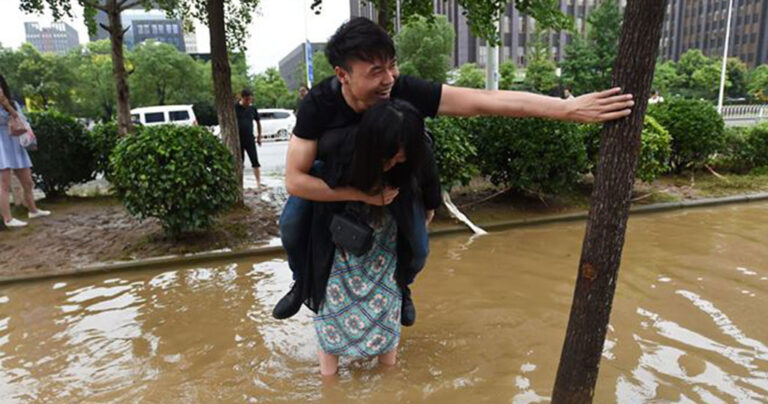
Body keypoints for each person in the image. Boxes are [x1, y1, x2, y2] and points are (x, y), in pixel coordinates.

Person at [273, 17, 635, 325]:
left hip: (396, 180)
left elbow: (484, 101)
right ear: (343, 74)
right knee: (290, 225)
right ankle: (301, 279)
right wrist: (359, 195)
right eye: (376, 71)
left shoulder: (402, 90)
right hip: (336, 177)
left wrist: (566, 109)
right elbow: (295, 179)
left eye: (391, 65)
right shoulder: (318, 105)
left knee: (418, 249)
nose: (389, 78)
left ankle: (403, 286)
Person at [310, 99, 433, 375]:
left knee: (390, 298)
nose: (390, 164)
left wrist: (426, 211)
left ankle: (389, 373)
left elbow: (428, 199)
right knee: (331, 308)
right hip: (341, 244)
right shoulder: (338, 148)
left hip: (387, 244)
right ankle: (328, 381)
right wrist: (364, 196)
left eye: (398, 159)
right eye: (386, 157)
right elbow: (307, 186)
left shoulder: (416, 154)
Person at [0, 74, 50, 228]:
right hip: (1, 144)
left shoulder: (13, 103)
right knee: (4, 184)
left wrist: (7, 105)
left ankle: (33, 210)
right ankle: (8, 218)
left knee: (27, 181)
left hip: (16, 143)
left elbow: (22, 121)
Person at [235, 89, 264, 188]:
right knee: (240, 163)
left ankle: (258, 183)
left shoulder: (253, 109)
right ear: (241, 98)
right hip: (238, 140)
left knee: (255, 160)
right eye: (246, 100)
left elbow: (258, 122)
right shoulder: (235, 108)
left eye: (250, 100)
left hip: (250, 138)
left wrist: (259, 136)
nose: (248, 102)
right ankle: (239, 184)